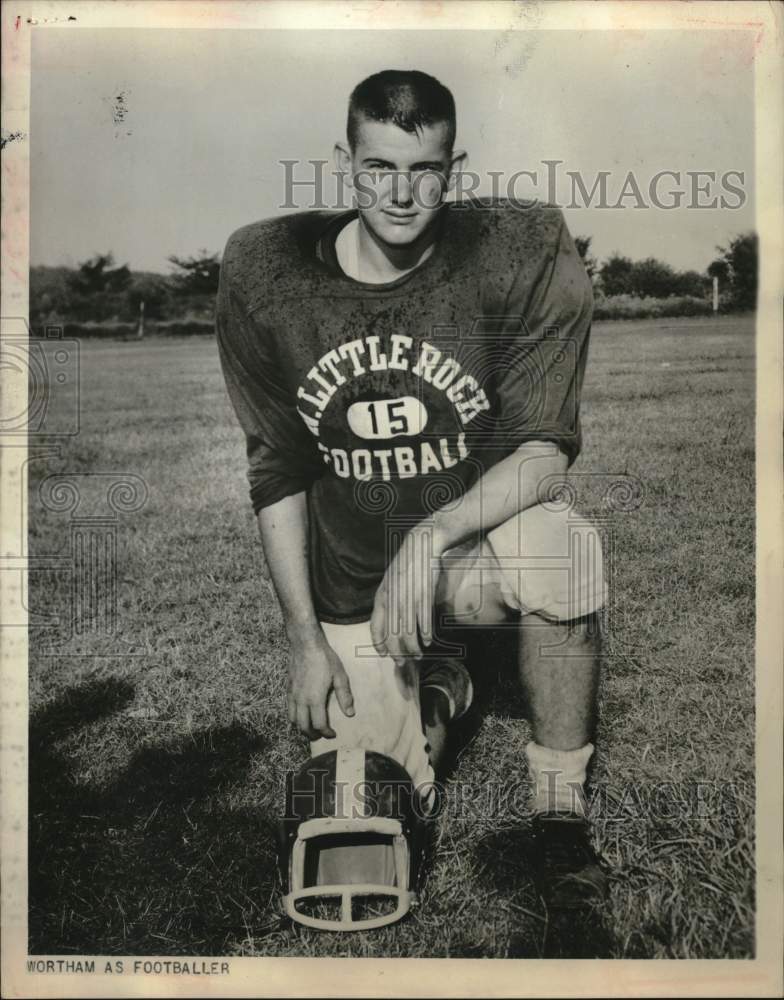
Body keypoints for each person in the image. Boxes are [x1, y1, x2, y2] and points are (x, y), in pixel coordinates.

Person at [216, 69, 608, 916]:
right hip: (357, 579)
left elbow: (544, 453)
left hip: (467, 553)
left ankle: (557, 807)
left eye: (425, 169)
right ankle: (443, 688)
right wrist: (302, 636)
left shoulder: (519, 243)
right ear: (344, 162)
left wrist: (429, 536)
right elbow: (276, 468)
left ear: (453, 165)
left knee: (564, 548)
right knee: (378, 793)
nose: (402, 193)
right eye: (379, 168)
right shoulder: (267, 268)